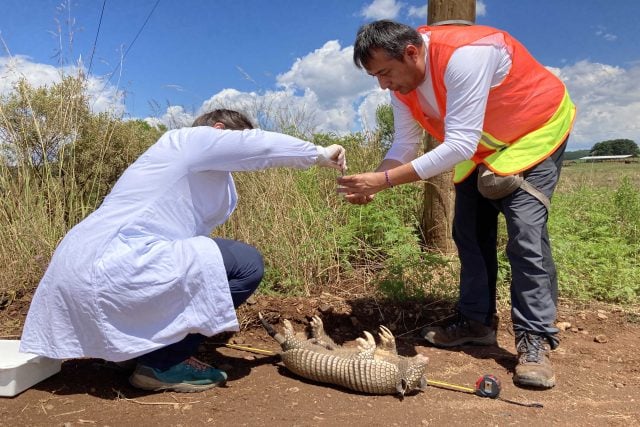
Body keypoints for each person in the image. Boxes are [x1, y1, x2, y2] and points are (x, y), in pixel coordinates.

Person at [20, 109, 346, 393]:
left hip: (83, 264)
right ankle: (162, 363)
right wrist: (317, 152)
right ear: (218, 131)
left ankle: (135, 353)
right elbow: (255, 146)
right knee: (247, 264)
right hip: (114, 262)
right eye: (238, 139)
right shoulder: (188, 140)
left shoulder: (192, 168)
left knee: (205, 266)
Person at [338, 20, 575, 389]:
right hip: (483, 145)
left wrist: (384, 180)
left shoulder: (466, 56)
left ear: (412, 53)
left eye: (384, 72)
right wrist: (375, 183)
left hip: (534, 132)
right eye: (375, 77)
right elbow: (404, 145)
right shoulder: (401, 86)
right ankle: (476, 322)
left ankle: (535, 340)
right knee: (468, 230)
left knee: (525, 235)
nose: (383, 84)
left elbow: (459, 143)